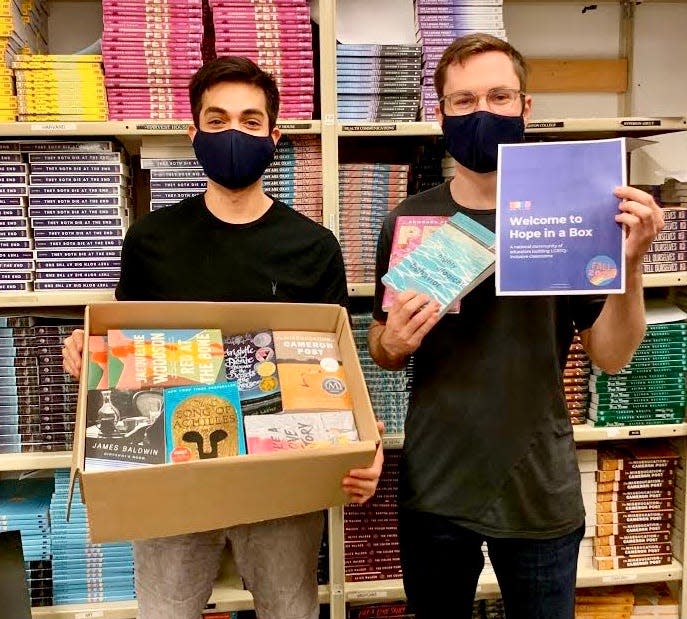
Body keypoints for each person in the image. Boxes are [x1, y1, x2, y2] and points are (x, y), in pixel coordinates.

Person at [62, 56, 384, 619]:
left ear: (274, 135)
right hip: (171, 479)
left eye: (250, 120)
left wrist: (368, 442)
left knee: (291, 610)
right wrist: (90, 356)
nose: (233, 132)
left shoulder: (314, 246)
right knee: (164, 611)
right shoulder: (150, 241)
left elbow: (339, 367)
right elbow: (125, 350)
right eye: (217, 121)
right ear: (194, 133)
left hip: (282, 483)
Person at [367, 33, 664, 619]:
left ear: (526, 108)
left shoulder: (577, 216)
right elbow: (382, 346)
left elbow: (609, 356)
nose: (483, 112)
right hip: (437, 486)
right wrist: (391, 343)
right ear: (441, 114)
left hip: (539, 489)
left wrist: (631, 265)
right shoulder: (409, 219)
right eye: (464, 100)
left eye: (499, 96)